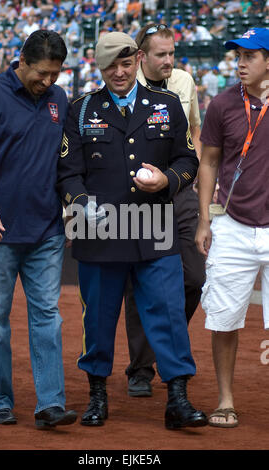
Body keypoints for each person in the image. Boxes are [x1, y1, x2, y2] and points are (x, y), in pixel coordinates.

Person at [57, 31, 208, 430]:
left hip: (155, 224)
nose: (120, 73)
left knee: (169, 312)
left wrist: (168, 181)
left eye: (126, 64)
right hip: (97, 228)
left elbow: (188, 160)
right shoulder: (81, 108)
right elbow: (68, 174)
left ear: (139, 59)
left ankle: (177, 397)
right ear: (99, 66)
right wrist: (80, 203)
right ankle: (97, 395)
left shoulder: (168, 104)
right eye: (111, 66)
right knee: (99, 318)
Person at [0, 30, 77, 429]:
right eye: (42, 73)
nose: (48, 82)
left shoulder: (60, 99)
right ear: (23, 61)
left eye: (55, 74)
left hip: (46, 230)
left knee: (47, 317)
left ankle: (50, 403)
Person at [124, 23, 205, 398]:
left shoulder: (185, 82)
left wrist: (200, 180)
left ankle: (162, 343)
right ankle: (140, 368)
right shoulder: (125, 83)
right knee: (141, 280)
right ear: (142, 56)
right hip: (141, 195)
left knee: (194, 276)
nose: (170, 60)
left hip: (181, 185)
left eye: (172, 53)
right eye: (162, 54)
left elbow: (195, 132)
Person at [195, 28, 269, 428]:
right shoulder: (222, 104)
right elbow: (208, 162)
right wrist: (205, 219)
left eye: (250, 56)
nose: (240, 63)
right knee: (223, 319)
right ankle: (225, 399)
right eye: (237, 55)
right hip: (233, 225)